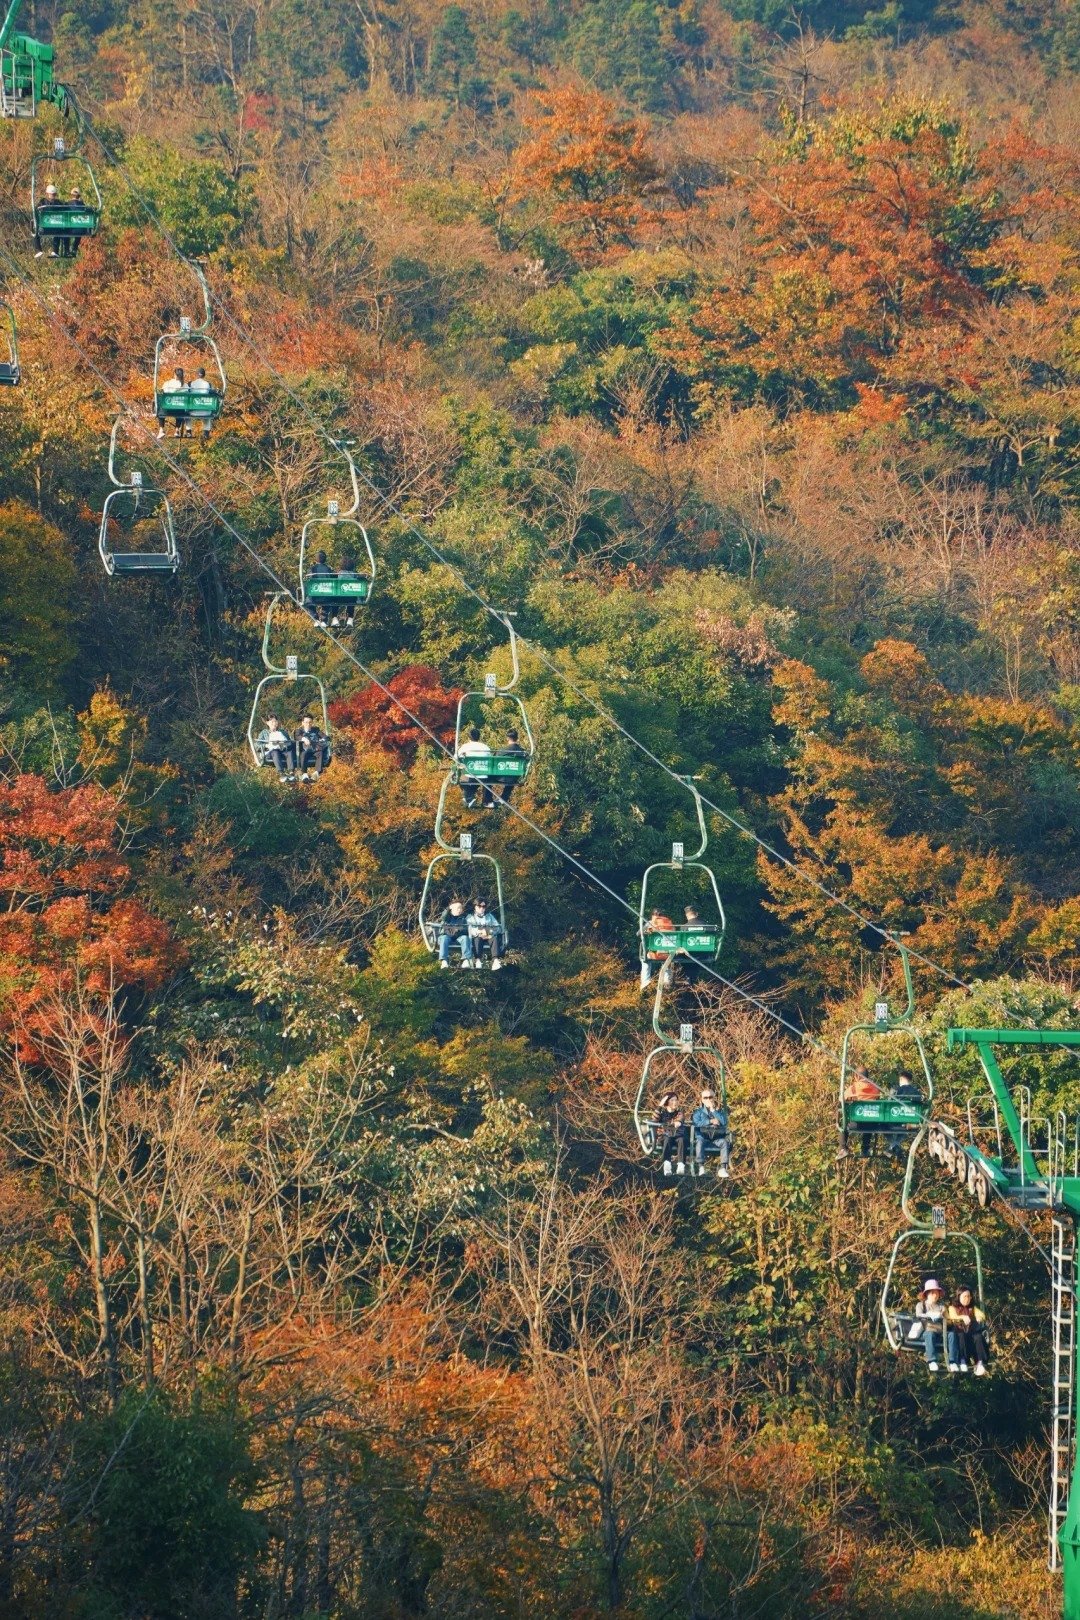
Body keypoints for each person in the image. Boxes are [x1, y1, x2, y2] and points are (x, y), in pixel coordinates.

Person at [838, 1067, 884, 1159]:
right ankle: (865, 1149)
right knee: (869, 1119)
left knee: (843, 1125)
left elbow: (841, 1099)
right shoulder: (875, 1088)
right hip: (872, 1125)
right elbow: (877, 1098)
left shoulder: (853, 1088)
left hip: (856, 1124)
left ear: (856, 1076)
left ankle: (843, 1148)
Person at [947, 1286, 989, 1375]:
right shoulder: (952, 1307)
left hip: (970, 1333)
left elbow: (982, 1315)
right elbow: (952, 1316)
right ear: (959, 1296)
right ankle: (963, 1360)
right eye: (964, 1296)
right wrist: (962, 1317)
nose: (967, 1299)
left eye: (968, 1296)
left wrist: (978, 1317)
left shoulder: (972, 1308)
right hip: (959, 1332)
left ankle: (980, 1361)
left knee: (979, 1337)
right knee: (961, 1336)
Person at [692, 1087, 730, 1178]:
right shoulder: (698, 1112)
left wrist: (713, 1111)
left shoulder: (720, 1112)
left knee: (724, 1142)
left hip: (716, 1138)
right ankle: (701, 1166)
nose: (708, 1099)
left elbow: (724, 1122)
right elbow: (696, 1124)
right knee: (699, 1142)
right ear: (702, 1099)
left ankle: (723, 1168)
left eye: (710, 1097)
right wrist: (710, 1121)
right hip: (703, 1137)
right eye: (705, 1098)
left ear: (714, 1098)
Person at [914, 1279, 947, 1371]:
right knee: (929, 1334)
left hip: (940, 1333)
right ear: (927, 1294)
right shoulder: (921, 1305)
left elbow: (947, 1319)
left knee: (953, 1335)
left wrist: (942, 1314)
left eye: (937, 1293)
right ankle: (932, 1361)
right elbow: (918, 1315)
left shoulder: (941, 1307)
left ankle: (955, 1361)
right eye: (932, 1293)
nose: (935, 1295)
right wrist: (928, 1315)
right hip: (926, 1331)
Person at [457, 726, 495, 809]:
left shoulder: (465, 747)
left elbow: (456, 758)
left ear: (469, 737)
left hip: (469, 776)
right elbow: (490, 759)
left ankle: (468, 798)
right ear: (479, 737)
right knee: (477, 781)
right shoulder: (485, 747)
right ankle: (470, 798)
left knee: (461, 778)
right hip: (483, 776)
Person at [640, 908, 676, 990]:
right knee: (666, 956)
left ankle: (645, 980)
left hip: (655, 954)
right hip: (668, 955)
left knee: (644, 959)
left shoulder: (651, 923)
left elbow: (639, 933)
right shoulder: (669, 924)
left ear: (653, 915)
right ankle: (666, 980)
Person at [655, 1091, 690, 1176]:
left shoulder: (679, 1112)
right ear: (667, 1102)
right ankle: (667, 1164)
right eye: (672, 1100)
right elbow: (654, 1119)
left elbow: (681, 1118)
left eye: (676, 1100)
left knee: (682, 1139)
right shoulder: (662, 1113)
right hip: (665, 1136)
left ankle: (681, 1165)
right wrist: (660, 1106)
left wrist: (678, 1122)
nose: (675, 1102)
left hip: (677, 1136)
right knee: (667, 1138)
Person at [466, 898, 505, 970]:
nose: (482, 908)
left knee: (494, 938)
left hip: (488, 935)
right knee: (477, 939)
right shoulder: (470, 917)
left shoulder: (489, 916)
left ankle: (495, 960)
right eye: (479, 906)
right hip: (477, 936)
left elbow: (498, 927)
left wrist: (489, 932)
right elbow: (468, 929)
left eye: (483, 907)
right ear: (475, 906)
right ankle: (478, 960)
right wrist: (478, 932)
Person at [493, 728, 527, 806]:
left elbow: (494, 758)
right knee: (512, 776)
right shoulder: (522, 751)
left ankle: (488, 800)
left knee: (487, 777)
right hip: (515, 777)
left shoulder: (503, 751)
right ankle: (503, 799)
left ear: (507, 738)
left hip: (501, 777)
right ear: (517, 738)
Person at [436, 899, 473, 969]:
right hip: (447, 935)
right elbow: (444, 916)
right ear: (452, 908)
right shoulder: (447, 917)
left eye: (461, 908)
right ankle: (444, 961)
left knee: (465, 938)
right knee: (444, 938)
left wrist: (458, 930)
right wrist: (448, 908)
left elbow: (466, 929)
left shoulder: (463, 918)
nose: (460, 910)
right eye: (458, 908)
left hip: (458, 937)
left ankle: (465, 960)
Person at [258, 714, 295, 782]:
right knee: (275, 751)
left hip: (282, 750)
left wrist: (284, 744)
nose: (274, 723)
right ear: (267, 723)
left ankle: (291, 772)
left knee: (289, 752)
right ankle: (281, 773)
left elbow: (289, 743)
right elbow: (258, 744)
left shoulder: (283, 732)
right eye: (272, 722)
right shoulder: (264, 733)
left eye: (275, 721)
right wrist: (267, 745)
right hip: (270, 752)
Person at [294, 714, 329, 781]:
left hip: (315, 749)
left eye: (310, 722)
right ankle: (304, 774)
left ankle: (316, 773)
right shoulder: (299, 731)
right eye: (306, 722)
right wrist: (304, 739)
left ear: (312, 722)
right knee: (303, 754)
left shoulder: (316, 730)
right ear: (303, 723)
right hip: (305, 750)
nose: (308, 724)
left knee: (320, 753)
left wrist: (323, 739)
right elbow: (297, 737)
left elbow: (325, 736)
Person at [157, 367, 186, 438]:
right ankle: (177, 430)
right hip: (179, 410)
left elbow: (162, 393)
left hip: (167, 410)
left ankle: (161, 430)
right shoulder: (185, 386)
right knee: (182, 409)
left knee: (161, 409)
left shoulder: (167, 383)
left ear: (174, 374)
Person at [188, 366, 215, 438]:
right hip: (206, 412)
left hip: (193, 411)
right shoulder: (208, 384)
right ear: (204, 375)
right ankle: (206, 433)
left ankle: (188, 431)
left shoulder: (190, 384)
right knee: (208, 414)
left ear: (196, 374)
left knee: (186, 414)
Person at [33, 183, 60, 257]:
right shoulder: (58, 203)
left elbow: (36, 212)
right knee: (59, 231)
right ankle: (55, 251)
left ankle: (38, 250)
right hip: (56, 229)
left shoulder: (42, 202)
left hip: (44, 229)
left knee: (35, 232)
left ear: (47, 193)